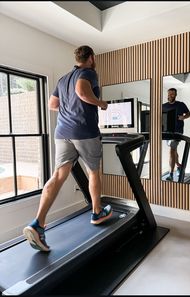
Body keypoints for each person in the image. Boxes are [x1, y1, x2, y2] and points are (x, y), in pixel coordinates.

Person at [23, 45, 112, 252]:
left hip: (62, 133)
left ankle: (38, 223)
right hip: (85, 132)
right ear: (91, 58)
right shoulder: (89, 72)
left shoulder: (63, 79)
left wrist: (69, 108)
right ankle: (97, 212)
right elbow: (82, 91)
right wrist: (100, 103)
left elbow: (52, 104)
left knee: (58, 176)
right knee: (93, 172)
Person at [162, 88, 190, 181]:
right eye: (169, 94)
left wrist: (183, 117)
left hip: (177, 131)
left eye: (172, 94)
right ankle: (179, 166)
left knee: (171, 150)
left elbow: (188, 113)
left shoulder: (180, 104)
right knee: (174, 150)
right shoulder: (163, 106)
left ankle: (171, 174)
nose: (170, 96)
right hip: (167, 132)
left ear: (175, 95)